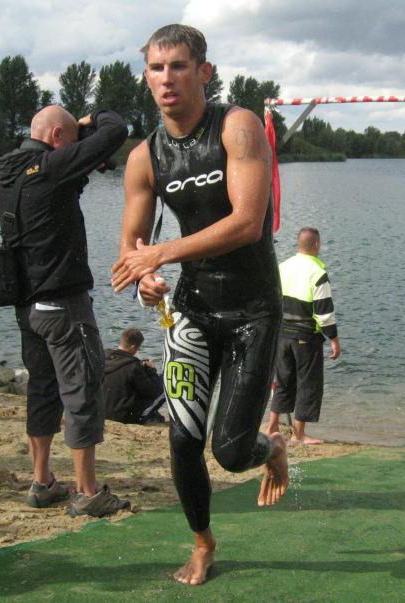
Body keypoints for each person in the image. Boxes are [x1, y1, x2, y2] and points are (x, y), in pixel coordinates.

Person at [110, 24, 288, 586]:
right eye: (156, 68)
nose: (167, 78)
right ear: (146, 77)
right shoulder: (144, 157)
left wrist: (160, 253)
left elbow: (247, 222)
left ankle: (272, 446)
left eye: (179, 66)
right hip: (193, 309)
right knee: (183, 437)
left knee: (231, 452)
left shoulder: (236, 126)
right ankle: (203, 543)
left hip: (254, 310)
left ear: (204, 72)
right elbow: (132, 248)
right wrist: (145, 277)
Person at [0, 105, 130, 517]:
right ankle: (87, 492)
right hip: (63, 306)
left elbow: (57, 192)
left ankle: (42, 481)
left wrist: (77, 141)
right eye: (68, 142)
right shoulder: (51, 169)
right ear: (56, 137)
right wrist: (92, 119)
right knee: (82, 391)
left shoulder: (7, 174)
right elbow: (116, 129)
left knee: (43, 390)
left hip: (28, 309)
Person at [265, 227, 341, 445]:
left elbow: (271, 299)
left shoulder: (282, 267)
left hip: (281, 333)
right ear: (317, 244)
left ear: (298, 244)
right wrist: (334, 339)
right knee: (308, 384)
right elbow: (324, 312)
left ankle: (272, 427)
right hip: (306, 337)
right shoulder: (317, 272)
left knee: (282, 381)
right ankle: (298, 434)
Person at [103, 327, 165, 424]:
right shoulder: (133, 366)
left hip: (102, 412)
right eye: (138, 348)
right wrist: (152, 371)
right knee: (164, 380)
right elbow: (151, 392)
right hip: (123, 417)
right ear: (133, 347)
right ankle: (148, 416)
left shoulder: (103, 358)